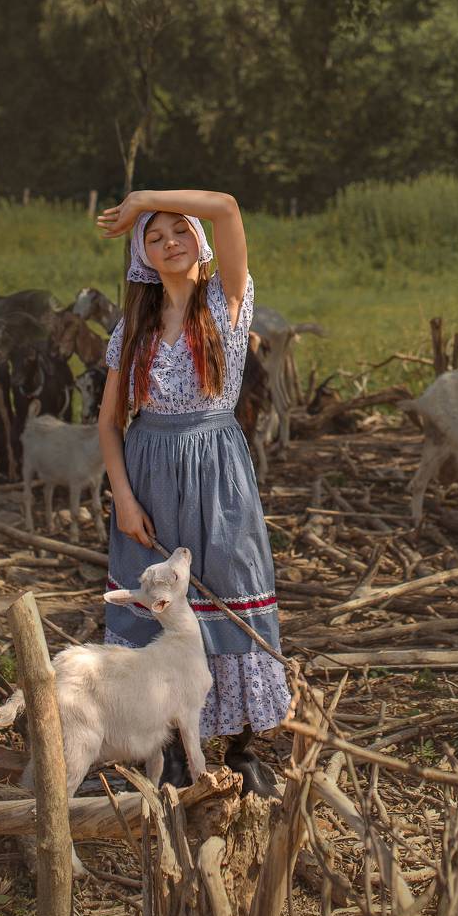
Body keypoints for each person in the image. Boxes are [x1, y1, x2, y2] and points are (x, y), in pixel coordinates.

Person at [96, 188, 290, 793]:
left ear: (199, 242)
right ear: (142, 257)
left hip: (218, 476)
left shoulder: (226, 304)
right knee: (157, 609)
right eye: (153, 237)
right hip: (149, 476)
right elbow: (108, 423)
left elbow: (230, 205)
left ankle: (241, 746)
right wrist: (124, 499)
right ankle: (171, 748)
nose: (169, 242)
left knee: (231, 591)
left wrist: (141, 201)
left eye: (179, 230)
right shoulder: (135, 327)